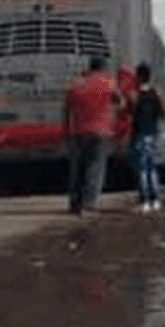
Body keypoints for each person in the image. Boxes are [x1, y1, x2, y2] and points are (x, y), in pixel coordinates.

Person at [64, 55, 124, 215]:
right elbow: (121, 102)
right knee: (95, 168)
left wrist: (66, 131)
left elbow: (66, 109)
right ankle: (88, 205)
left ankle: (74, 204)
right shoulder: (108, 82)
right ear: (103, 67)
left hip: (77, 132)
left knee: (76, 170)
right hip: (101, 132)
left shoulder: (76, 83)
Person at [129, 62, 165, 212]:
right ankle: (156, 199)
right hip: (153, 134)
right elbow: (163, 114)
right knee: (152, 168)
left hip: (140, 135)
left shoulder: (136, 95)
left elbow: (132, 114)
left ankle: (145, 201)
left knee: (142, 170)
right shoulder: (155, 93)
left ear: (139, 76)